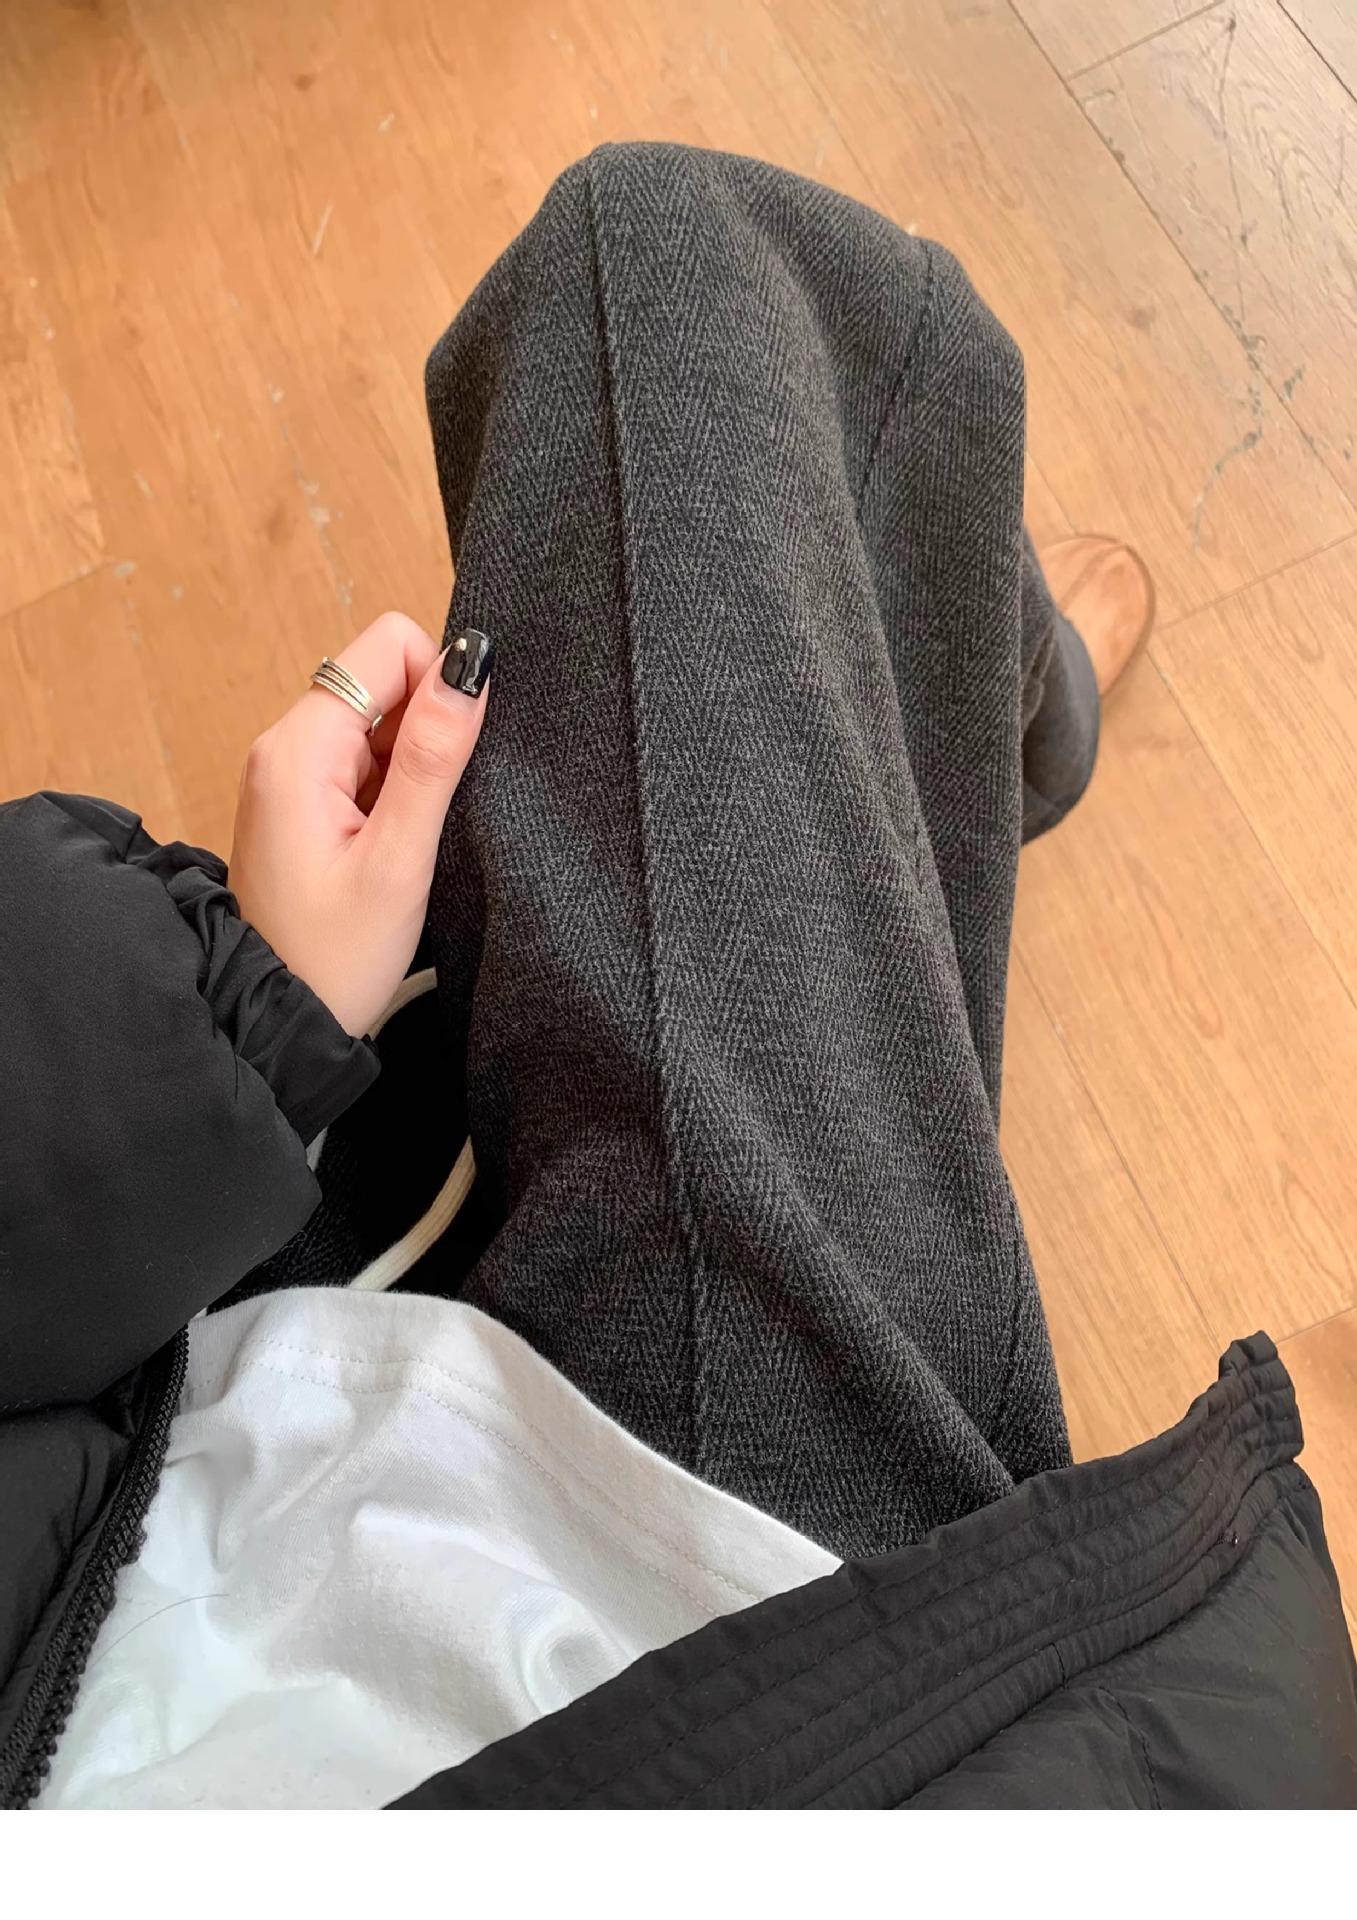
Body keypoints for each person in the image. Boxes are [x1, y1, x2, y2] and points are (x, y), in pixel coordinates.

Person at [1, 145, 1353, 1812]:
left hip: (155, 1427)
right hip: (721, 1651)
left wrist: (238, 1033)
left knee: (649, 324)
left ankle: (946, 732)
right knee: (664, 268)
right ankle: (984, 720)